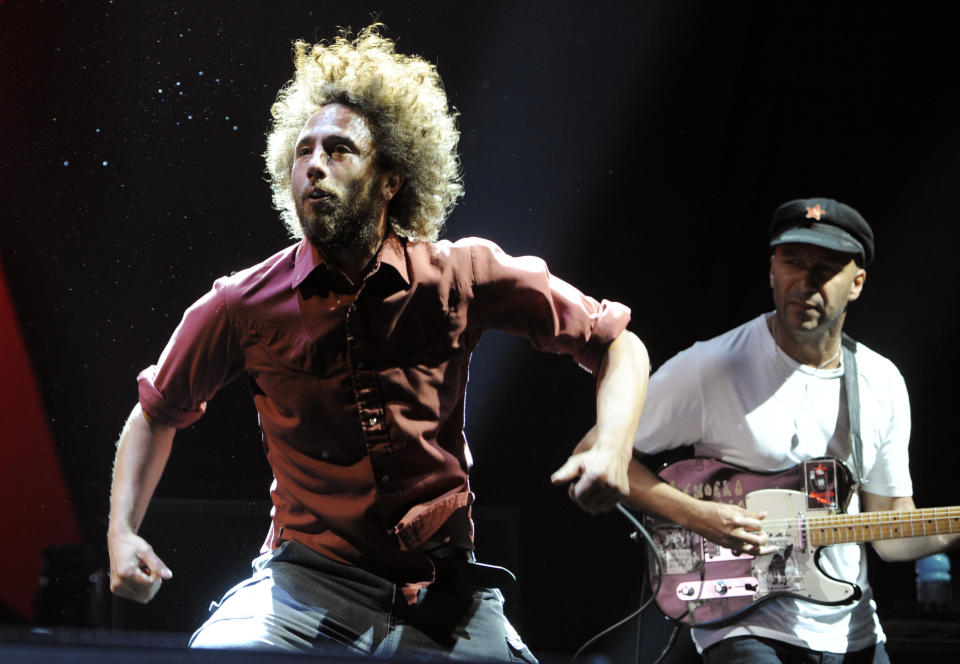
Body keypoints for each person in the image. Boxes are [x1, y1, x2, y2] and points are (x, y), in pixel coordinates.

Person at [107, 24, 648, 662]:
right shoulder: (243, 302)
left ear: (390, 178)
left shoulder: (458, 273)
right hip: (305, 584)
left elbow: (618, 343)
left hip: (445, 595)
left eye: (339, 150)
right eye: (303, 151)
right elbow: (156, 410)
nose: (314, 164)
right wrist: (120, 533)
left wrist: (613, 446)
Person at [622, 198, 958, 663]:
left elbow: (891, 533)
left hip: (850, 629)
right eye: (792, 262)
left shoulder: (881, 382)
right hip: (742, 623)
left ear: (857, 283)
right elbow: (604, 456)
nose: (805, 280)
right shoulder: (711, 366)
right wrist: (699, 516)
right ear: (772, 270)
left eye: (825, 268)